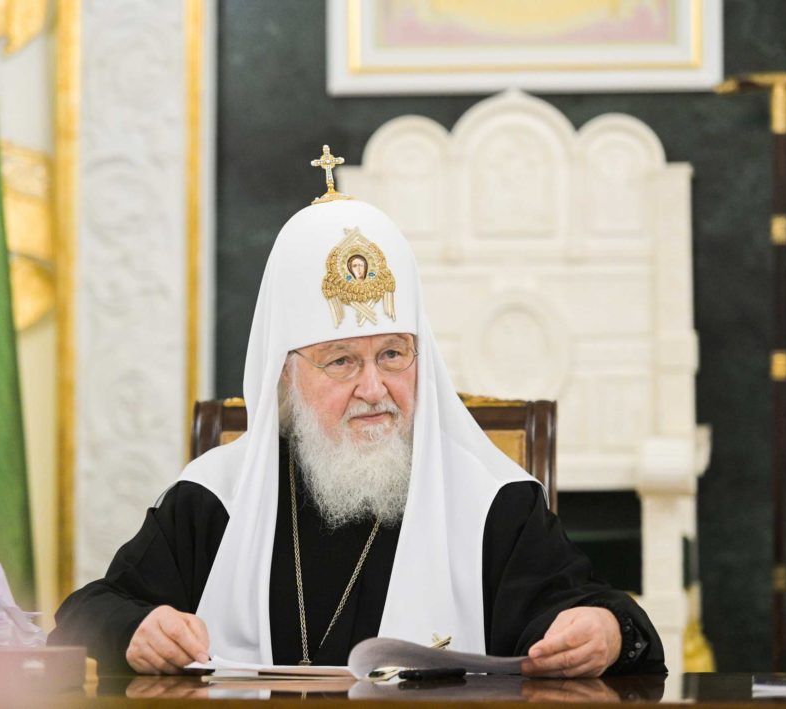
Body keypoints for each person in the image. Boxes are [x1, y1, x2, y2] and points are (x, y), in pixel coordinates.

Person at [49, 158, 666, 678]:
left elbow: (600, 616)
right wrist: (137, 630)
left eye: (393, 355)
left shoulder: (491, 504)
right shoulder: (216, 499)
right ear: (287, 377)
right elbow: (87, 612)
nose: (375, 389)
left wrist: (605, 630)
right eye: (342, 361)